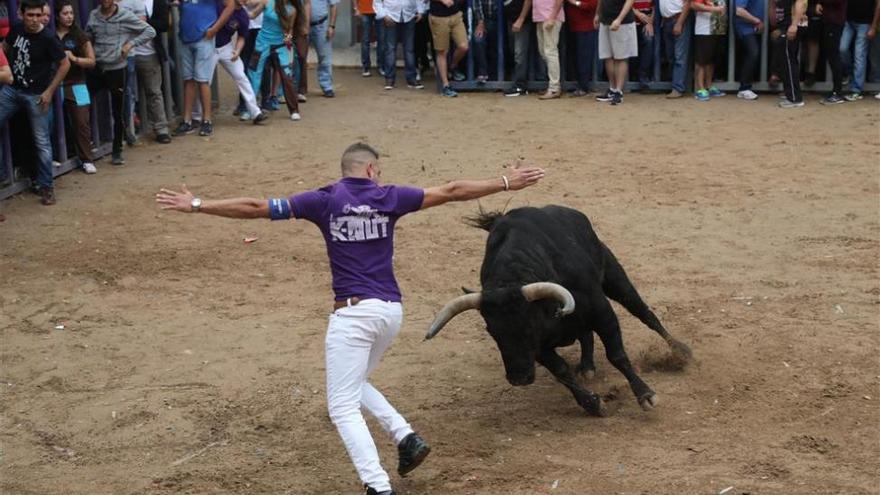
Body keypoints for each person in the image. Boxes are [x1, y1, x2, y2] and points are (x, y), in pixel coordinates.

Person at [155, 143, 546, 495]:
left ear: (347, 170)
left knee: (340, 405)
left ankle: (377, 486)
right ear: (373, 169)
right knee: (353, 383)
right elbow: (451, 190)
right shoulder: (389, 197)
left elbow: (257, 208)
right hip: (390, 312)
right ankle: (405, 437)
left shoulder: (323, 199)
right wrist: (505, 182)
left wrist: (196, 204)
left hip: (353, 313)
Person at [0, 0, 69, 205]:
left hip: (36, 94)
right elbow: (4, 47)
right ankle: (3, 174)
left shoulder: (49, 37)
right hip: (13, 89)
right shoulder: (17, 28)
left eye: (39, 15)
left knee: (42, 143)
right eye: (30, 15)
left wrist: (49, 91)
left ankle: (46, 186)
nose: (35, 20)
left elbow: (64, 65)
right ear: (21, 14)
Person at [87, 0, 155, 164]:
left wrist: (130, 44)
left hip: (117, 68)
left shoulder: (125, 15)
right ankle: (86, 146)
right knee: (84, 104)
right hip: (97, 68)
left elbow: (149, 31)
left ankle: (117, 150)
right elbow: (87, 35)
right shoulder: (93, 15)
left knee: (118, 111)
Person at [194, 0, 268, 123]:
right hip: (208, 46)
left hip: (225, 47)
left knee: (241, 76)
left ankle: (255, 112)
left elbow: (242, 36)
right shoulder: (220, 4)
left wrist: (237, 50)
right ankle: (197, 115)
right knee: (204, 81)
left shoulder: (243, 15)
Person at [173, 0, 234, 137]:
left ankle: (207, 120)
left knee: (202, 80)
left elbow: (230, 5)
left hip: (203, 38)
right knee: (188, 79)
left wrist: (215, 29)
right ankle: (188, 120)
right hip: (186, 37)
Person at [120, 0, 173, 144]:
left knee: (154, 91)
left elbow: (164, 24)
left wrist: (145, 22)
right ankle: (128, 129)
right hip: (124, 52)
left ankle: (161, 128)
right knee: (125, 93)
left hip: (148, 52)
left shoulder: (157, 1)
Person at [56, 0, 98, 174]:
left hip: (77, 82)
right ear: (57, 16)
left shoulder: (79, 35)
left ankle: (87, 159)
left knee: (82, 121)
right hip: (56, 83)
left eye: (71, 13)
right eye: (65, 13)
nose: (69, 17)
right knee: (52, 122)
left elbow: (92, 61)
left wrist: (74, 59)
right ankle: (58, 157)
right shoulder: (50, 35)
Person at [247, 0, 304, 121]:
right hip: (262, 42)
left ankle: (294, 110)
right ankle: (250, 108)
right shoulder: (267, 2)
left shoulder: (292, 10)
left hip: (281, 45)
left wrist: (288, 41)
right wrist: (238, 9)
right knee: (254, 73)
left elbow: (290, 29)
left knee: (287, 75)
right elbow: (252, 15)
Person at [374, 0, 427, 90]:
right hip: (391, 15)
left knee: (409, 49)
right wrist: (384, 15)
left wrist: (421, 11)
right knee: (390, 49)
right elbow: (377, 1)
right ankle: (389, 79)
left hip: (409, 15)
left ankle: (411, 78)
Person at [594, 0, 635, 104]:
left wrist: (619, 19)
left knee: (621, 57)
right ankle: (612, 89)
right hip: (605, 20)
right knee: (607, 55)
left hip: (623, 22)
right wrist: (597, 14)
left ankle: (618, 91)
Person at [503, 0, 547, 96]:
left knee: (520, 53)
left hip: (522, 19)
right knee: (516, 52)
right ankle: (523, 83)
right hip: (511, 17)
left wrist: (521, 19)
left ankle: (520, 85)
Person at [429, 0, 468, 96]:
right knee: (442, 51)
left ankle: (452, 67)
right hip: (438, 16)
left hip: (456, 15)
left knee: (464, 46)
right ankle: (445, 85)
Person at [691, 0, 727, 101]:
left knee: (711, 60)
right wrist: (714, 9)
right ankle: (699, 89)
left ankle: (709, 86)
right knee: (701, 60)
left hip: (718, 29)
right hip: (704, 30)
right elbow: (694, 5)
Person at [839, 0, 873, 101]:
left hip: (865, 23)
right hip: (848, 20)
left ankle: (856, 90)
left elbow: (877, 5)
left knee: (860, 55)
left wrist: (873, 26)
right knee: (842, 49)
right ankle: (850, 74)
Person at [564, 0, 598, 96]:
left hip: (586, 27)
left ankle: (584, 86)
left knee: (584, 59)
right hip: (572, 26)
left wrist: (575, 2)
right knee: (574, 57)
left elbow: (592, 5)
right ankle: (574, 85)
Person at [659, 0, 691, 98]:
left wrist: (680, 23)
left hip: (677, 18)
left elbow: (687, 3)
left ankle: (678, 88)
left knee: (679, 56)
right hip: (667, 20)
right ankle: (675, 85)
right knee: (671, 56)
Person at [777, 0, 806, 107]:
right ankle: (792, 94)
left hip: (790, 25)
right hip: (786, 25)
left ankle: (794, 98)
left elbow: (800, 2)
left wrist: (794, 25)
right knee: (788, 61)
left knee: (789, 62)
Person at [533, 0, 565, 99]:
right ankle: (553, 84)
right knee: (543, 52)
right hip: (540, 17)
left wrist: (552, 17)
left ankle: (554, 88)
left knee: (550, 52)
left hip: (550, 17)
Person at [818, 0, 847, 104]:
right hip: (829, 20)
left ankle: (837, 92)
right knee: (831, 56)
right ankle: (835, 90)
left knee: (834, 56)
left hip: (835, 21)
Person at [734, 0, 764, 99]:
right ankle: (744, 88)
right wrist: (757, 20)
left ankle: (745, 87)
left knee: (751, 54)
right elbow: (739, 11)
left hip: (753, 27)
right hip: (745, 27)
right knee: (753, 52)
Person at [309, 0, 338, 97]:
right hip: (302, 25)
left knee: (324, 57)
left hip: (321, 25)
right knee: (298, 57)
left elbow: (334, 5)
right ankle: (297, 89)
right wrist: (287, 38)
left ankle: (327, 86)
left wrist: (332, 26)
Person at [473, 0, 501, 84]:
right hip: (482, 20)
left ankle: (495, 76)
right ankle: (483, 72)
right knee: (479, 41)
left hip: (499, 19)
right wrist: (480, 22)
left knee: (496, 47)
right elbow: (477, 4)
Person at [355, 0, 385, 77]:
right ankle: (366, 67)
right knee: (365, 40)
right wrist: (356, 8)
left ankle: (381, 66)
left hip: (380, 9)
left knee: (381, 39)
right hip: (364, 10)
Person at [631, 0, 655, 91]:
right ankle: (632, 79)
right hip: (630, 22)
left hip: (646, 24)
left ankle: (643, 78)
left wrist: (650, 22)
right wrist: (637, 13)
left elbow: (654, 6)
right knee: (631, 51)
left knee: (648, 42)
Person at [803, 0, 822, 86]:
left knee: (813, 40)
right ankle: (800, 72)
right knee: (799, 40)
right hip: (799, 6)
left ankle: (811, 72)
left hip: (814, 7)